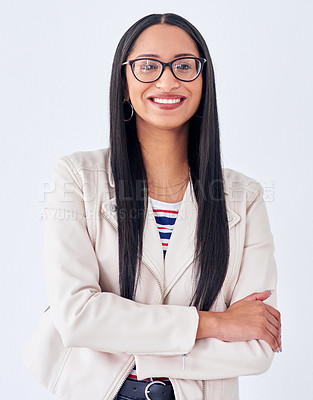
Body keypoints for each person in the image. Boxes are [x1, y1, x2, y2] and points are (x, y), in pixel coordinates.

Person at [22, 12, 281, 400]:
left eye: (184, 65)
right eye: (147, 66)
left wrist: (138, 348)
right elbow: (76, 317)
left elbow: (256, 344)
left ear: (204, 81)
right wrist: (214, 324)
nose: (167, 79)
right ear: (124, 84)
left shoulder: (245, 196)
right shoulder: (77, 176)